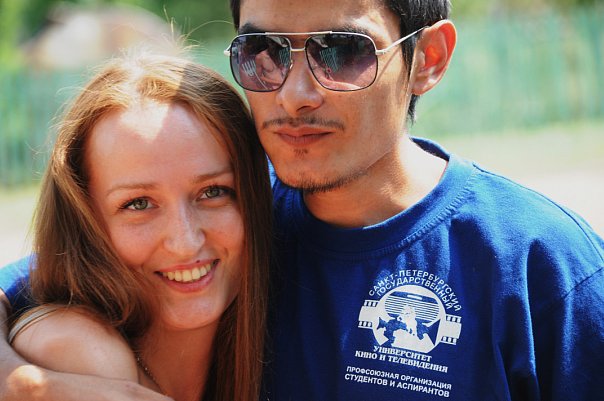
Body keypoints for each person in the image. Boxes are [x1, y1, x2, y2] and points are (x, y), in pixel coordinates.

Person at [1, 0, 604, 400]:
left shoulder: (542, 264)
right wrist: (24, 383)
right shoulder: (225, 224)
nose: (294, 94)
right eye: (263, 53)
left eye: (342, 52)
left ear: (429, 59)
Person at [0, 53, 272, 401]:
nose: (185, 242)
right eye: (139, 204)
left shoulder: (285, 312)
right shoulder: (78, 354)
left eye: (213, 192)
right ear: (85, 222)